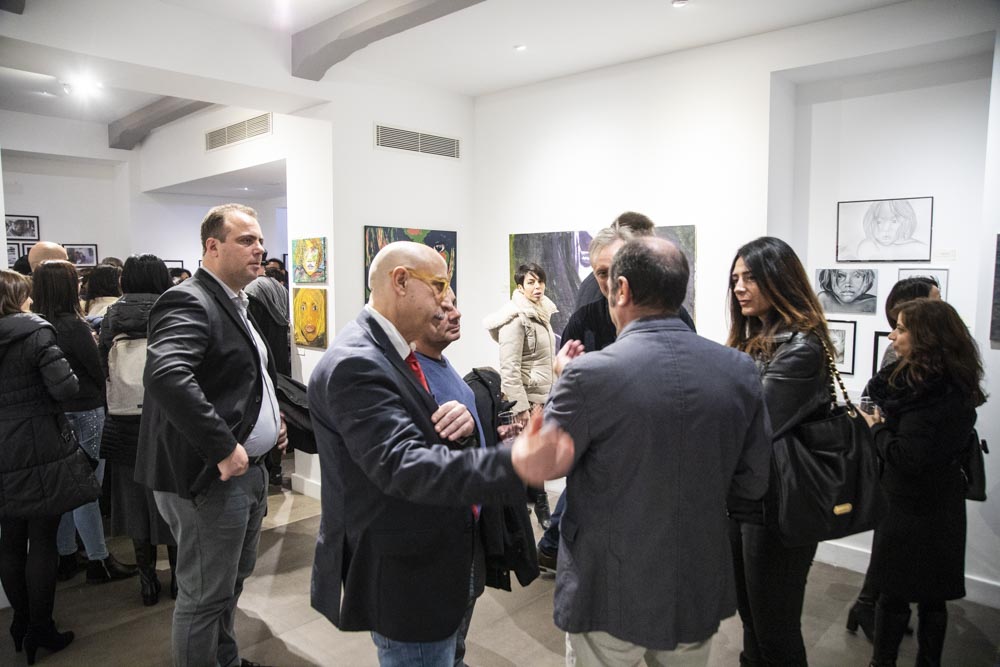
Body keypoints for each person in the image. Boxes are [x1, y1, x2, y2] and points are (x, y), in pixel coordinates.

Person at [308, 241, 573, 667]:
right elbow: (403, 465)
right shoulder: (357, 362)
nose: (446, 301)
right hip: (405, 572)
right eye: (438, 286)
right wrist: (516, 461)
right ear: (400, 281)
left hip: (424, 557)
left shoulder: (390, 353)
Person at [544, 237, 771, 665]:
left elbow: (547, 464)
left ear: (622, 289)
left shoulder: (587, 375)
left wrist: (561, 380)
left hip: (608, 584)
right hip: (695, 576)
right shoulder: (739, 369)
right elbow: (753, 481)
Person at [135, 203, 288, 667]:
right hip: (211, 478)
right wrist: (223, 446)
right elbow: (166, 375)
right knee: (204, 597)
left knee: (228, 585)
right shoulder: (189, 299)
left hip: (246, 473)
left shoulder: (236, 302)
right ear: (212, 246)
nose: (259, 249)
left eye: (260, 240)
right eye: (246, 240)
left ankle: (225, 658)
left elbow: (241, 377)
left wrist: (273, 421)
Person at [538, 223, 696, 571]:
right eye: (602, 273)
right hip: (600, 462)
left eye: (618, 269)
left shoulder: (673, 318)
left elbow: (684, 378)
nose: (611, 282)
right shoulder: (584, 321)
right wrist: (567, 379)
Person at [726, 236, 834, 666]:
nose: (739, 287)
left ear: (780, 278)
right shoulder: (755, 338)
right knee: (752, 621)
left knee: (776, 629)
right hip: (746, 498)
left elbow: (754, 423)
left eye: (751, 277)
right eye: (735, 278)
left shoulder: (802, 347)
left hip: (779, 504)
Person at [860, 299, 985, 667]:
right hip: (943, 504)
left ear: (925, 338)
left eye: (900, 329)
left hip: (910, 508)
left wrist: (876, 428)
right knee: (934, 599)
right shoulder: (954, 383)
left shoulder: (926, 396)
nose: (892, 336)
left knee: (894, 597)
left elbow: (906, 457)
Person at [846, 274, 943, 640]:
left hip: (901, 457)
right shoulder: (902, 354)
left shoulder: (932, 358)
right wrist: (882, 429)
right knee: (891, 543)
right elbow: (877, 398)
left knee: (894, 545)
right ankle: (868, 605)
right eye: (934, 298)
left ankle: (869, 605)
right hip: (895, 458)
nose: (940, 303)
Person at [30, 260, 138, 587]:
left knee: (67, 488)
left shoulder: (38, 325)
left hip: (58, 414)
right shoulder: (73, 327)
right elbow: (96, 368)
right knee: (87, 489)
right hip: (87, 412)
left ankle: (67, 554)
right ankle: (98, 559)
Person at [0, 269, 82, 663]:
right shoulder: (36, 332)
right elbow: (66, 388)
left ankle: (20, 622)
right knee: (43, 538)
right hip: (38, 443)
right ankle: (41, 627)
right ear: (17, 297)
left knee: (10, 538)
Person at [99, 254, 178, 606]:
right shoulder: (172, 308)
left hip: (124, 420)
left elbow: (103, 362)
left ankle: (147, 583)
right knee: (172, 496)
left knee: (134, 501)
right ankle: (179, 579)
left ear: (125, 280)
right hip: (167, 418)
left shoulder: (112, 314)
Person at [483, 262, 557, 529]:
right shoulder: (515, 318)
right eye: (531, 282)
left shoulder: (541, 312)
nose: (537, 287)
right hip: (526, 398)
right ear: (520, 286)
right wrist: (521, 407)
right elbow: (509, 368)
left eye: (540, 281)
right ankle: (536, 507)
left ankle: (524, 505)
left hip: (541, 396)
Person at [855, 199, 928, 261]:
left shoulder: (918, 248)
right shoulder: (867, 246)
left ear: (906, 222)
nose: (885, 229)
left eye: (894, 221)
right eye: (879, 222)